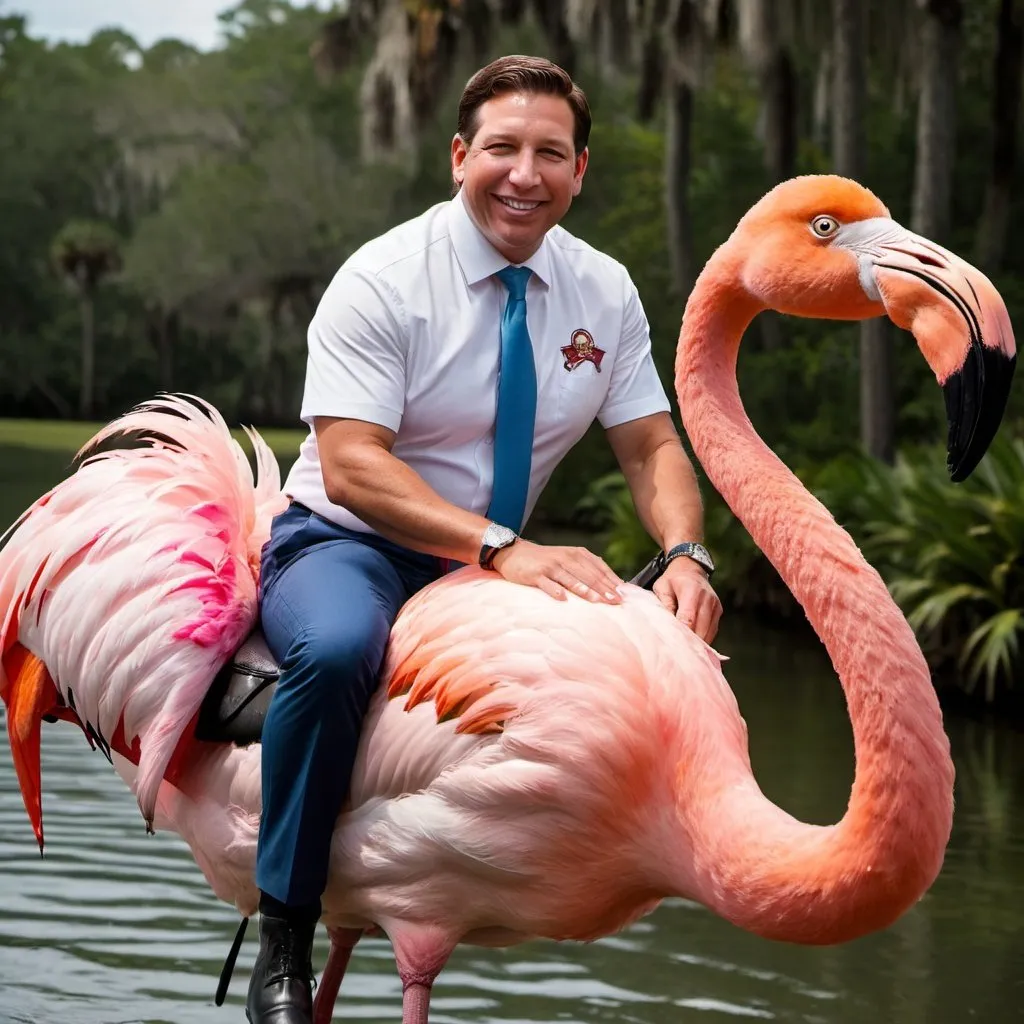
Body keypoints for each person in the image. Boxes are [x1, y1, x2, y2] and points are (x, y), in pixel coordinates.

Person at [246, 54, 723, 1024]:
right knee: (336, 652)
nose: (524, 172)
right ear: (459, 155)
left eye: (550, 152)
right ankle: (283, 937)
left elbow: (648, 445)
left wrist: (683, 550)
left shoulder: (603, 290)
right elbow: (351, 465)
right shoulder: (383, 278)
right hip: (350, 542)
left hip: (488, 564)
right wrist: (503, 547)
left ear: (579, 171)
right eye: (501, 147)